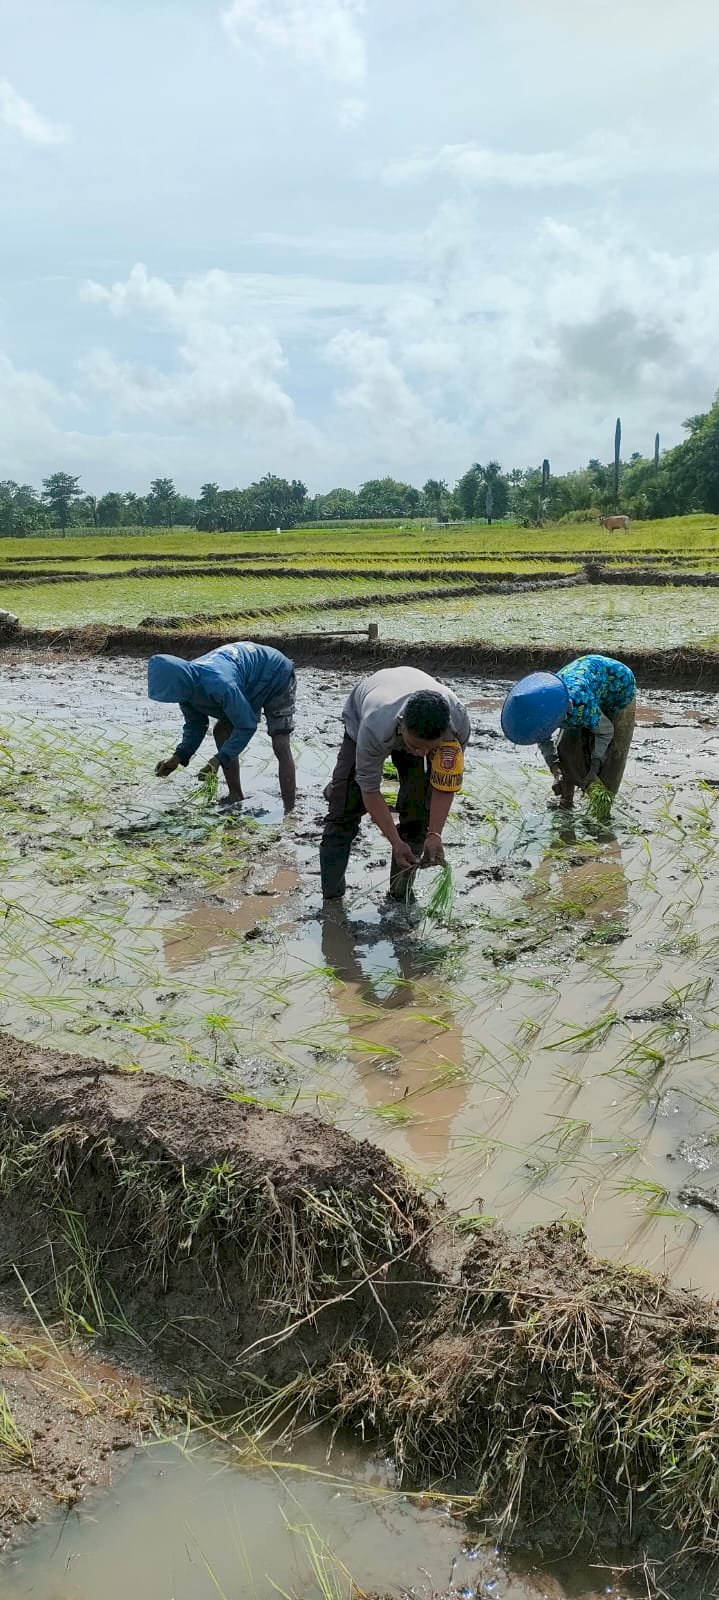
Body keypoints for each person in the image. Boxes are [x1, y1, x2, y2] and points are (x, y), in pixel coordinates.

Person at [320, 666, 471, 901]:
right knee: (344, 809)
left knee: (418, 812)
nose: (422, 755)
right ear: (402, 725)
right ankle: (332, 898)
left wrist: (435, 834)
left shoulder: (457, 725)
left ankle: (400, 895)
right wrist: (394, 841)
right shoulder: (374, 725)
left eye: (430, 748)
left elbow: (444, 783)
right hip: (362, 717)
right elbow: (369, 789)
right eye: (416, 746)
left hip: (412, 718)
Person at [147, 641, 296, 810]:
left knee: (280, 743)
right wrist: (178, 757)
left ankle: (289, 811)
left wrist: (218, 759)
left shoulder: (220, 684)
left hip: (276, 673)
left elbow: (246, 726)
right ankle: (235, 795)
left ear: (178, 682)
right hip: (248, 682)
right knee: (222, 732)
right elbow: (196, 725)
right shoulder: (185, 687)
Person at [500, 653, 636, 812]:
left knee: (611, 757)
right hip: (585, 684)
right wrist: (555, 769)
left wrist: (595, 765)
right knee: (566, 748)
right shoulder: (541, 706)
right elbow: (543, 737)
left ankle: (602, 810)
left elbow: (605, 731)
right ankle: (566, 801)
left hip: (619, 686)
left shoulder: (579, 705)